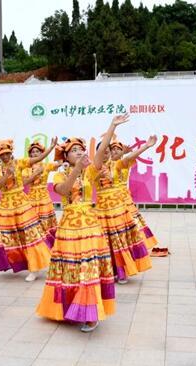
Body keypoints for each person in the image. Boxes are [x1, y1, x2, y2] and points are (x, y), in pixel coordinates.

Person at [36, 116, 127, 332]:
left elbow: (101, 151)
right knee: (69, 266)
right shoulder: (59, 173)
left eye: (81, 150)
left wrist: (112, 126)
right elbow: (64, 191)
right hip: (68, 225)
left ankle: (90, 313)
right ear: (66, 156)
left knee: (88, 267)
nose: (79, 152)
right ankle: (67, 307)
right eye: (74, 150)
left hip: (89, 224)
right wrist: (76, 169)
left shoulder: (90, 171)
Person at [93, 122, 153, 285]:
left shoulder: (116, 165)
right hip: (102, 211)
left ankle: (122, 271)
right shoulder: (93, 168)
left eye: (108, 152)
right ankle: (106, 271)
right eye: (102, 152)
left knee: (120, 240)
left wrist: (146, 147)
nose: (106, 154)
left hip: (118, 209)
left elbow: (128, 158)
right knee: (105, 242)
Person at [0, 137, 56, 282]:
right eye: (1, 155)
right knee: (0, 234)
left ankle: (35, 267)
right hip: (5, 204)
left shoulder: (19, 163)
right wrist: (6, 176)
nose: (5, 156)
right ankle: (14, 262)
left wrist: (50, 148)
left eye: (7, 153)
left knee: (29, 234)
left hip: (21, 202)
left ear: (11, 153)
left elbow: (37, 159)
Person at [110, 139, 160, 252]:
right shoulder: (105, 165)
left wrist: (146, 146)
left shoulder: (124, 162)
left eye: (118, 149)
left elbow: (131, 156)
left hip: (124, 197)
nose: (115, 151)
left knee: (133, 221)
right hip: (111, 199)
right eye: (113, 149)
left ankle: (138, 244)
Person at [22, 141, 61, 248]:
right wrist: (35, 173)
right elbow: (24, 183)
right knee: (33, 222)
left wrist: (59, 150)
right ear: (30, 155)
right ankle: (37, 245)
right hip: (32, 198)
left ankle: (49, 244)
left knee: (46, 221)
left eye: (37, 152)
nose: (35, 154)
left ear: (42, 154)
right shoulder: (26, 168)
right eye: (33, 152)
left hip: (44, 198)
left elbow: (59, 164)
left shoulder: (46, 165)